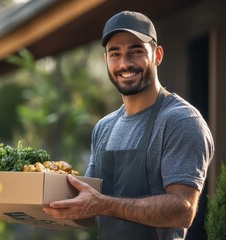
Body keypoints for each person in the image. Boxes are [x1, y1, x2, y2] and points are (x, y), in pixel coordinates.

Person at [43, 11, 214, 240]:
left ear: (158, 55)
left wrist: (104, 205)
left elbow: (182, 210)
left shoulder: (180, 121)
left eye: (136, 51)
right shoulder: (104, 127)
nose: (125, 63)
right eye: (115, 54)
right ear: (106, 60)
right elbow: (86, 202)